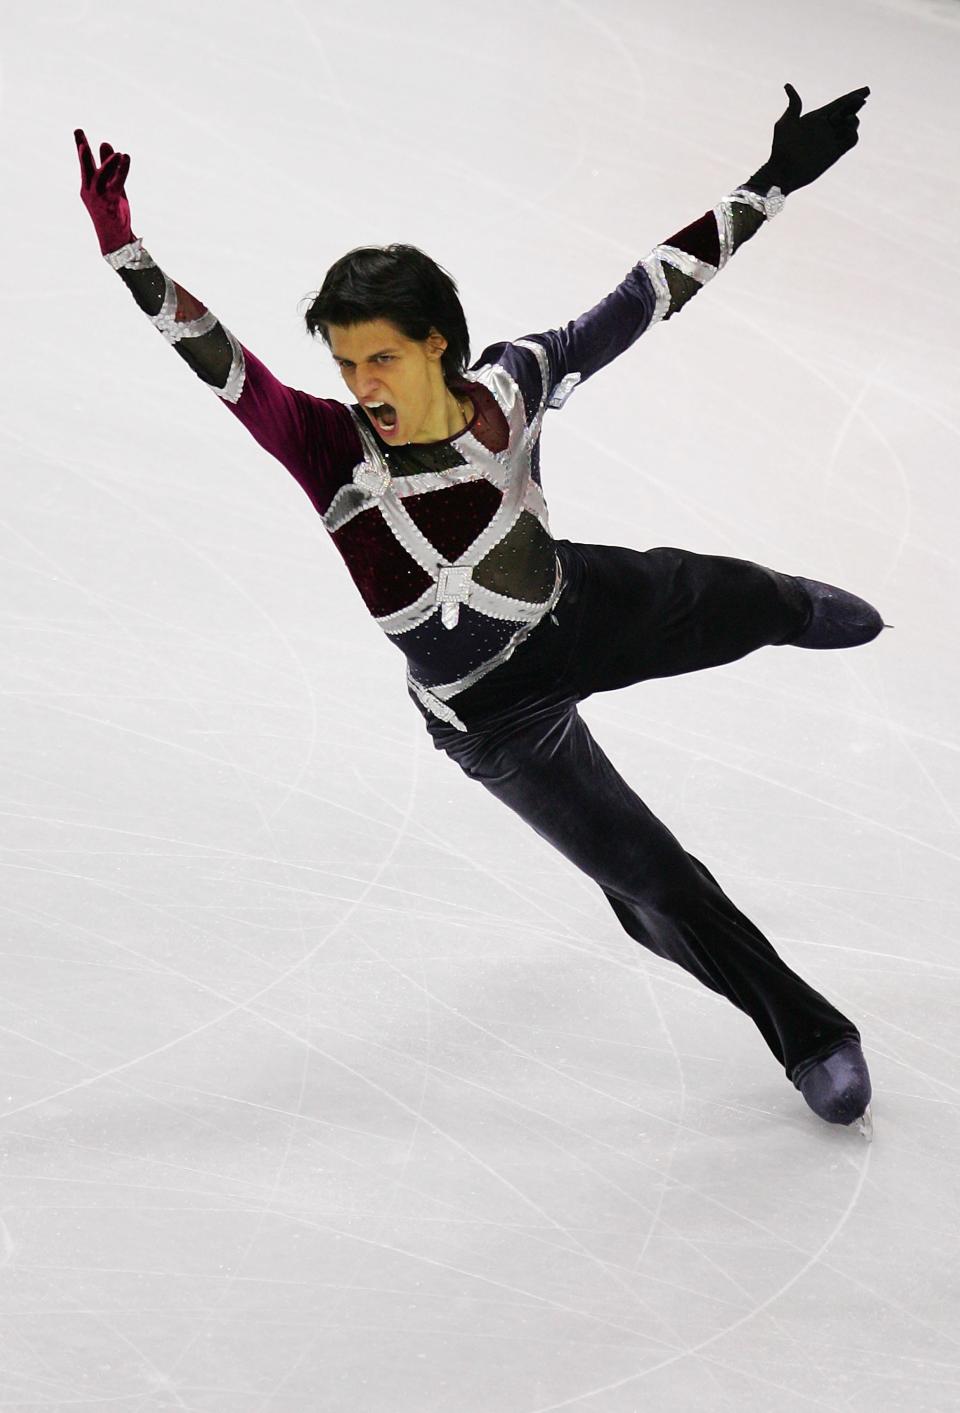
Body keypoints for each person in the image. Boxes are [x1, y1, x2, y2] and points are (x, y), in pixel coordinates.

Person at [74, 81, 879, 1139]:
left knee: (734, 595)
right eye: (347, 362)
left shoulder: (514, 385)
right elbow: (225, 365)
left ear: (438, 347)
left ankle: (789, 606)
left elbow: (647, 295)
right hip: (497, 722)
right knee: (657, 883)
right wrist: (125, 253)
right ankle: (815, 1039)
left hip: (581, 605)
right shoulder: (325, 449)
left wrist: (772, 182)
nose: (362, 384)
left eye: (382, 358)